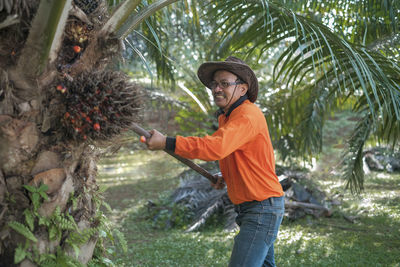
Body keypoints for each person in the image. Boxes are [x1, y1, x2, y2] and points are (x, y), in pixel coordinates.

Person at [144, 56, 285, 267]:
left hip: (262, 208)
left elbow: (216, 147)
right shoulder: (227, 117)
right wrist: (226, 176)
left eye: (224, 83)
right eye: (214, 84)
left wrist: (167, 142)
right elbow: (237, 153)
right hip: (254, 207)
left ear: (243, 88)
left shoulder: (247, 115)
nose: (217, 89)